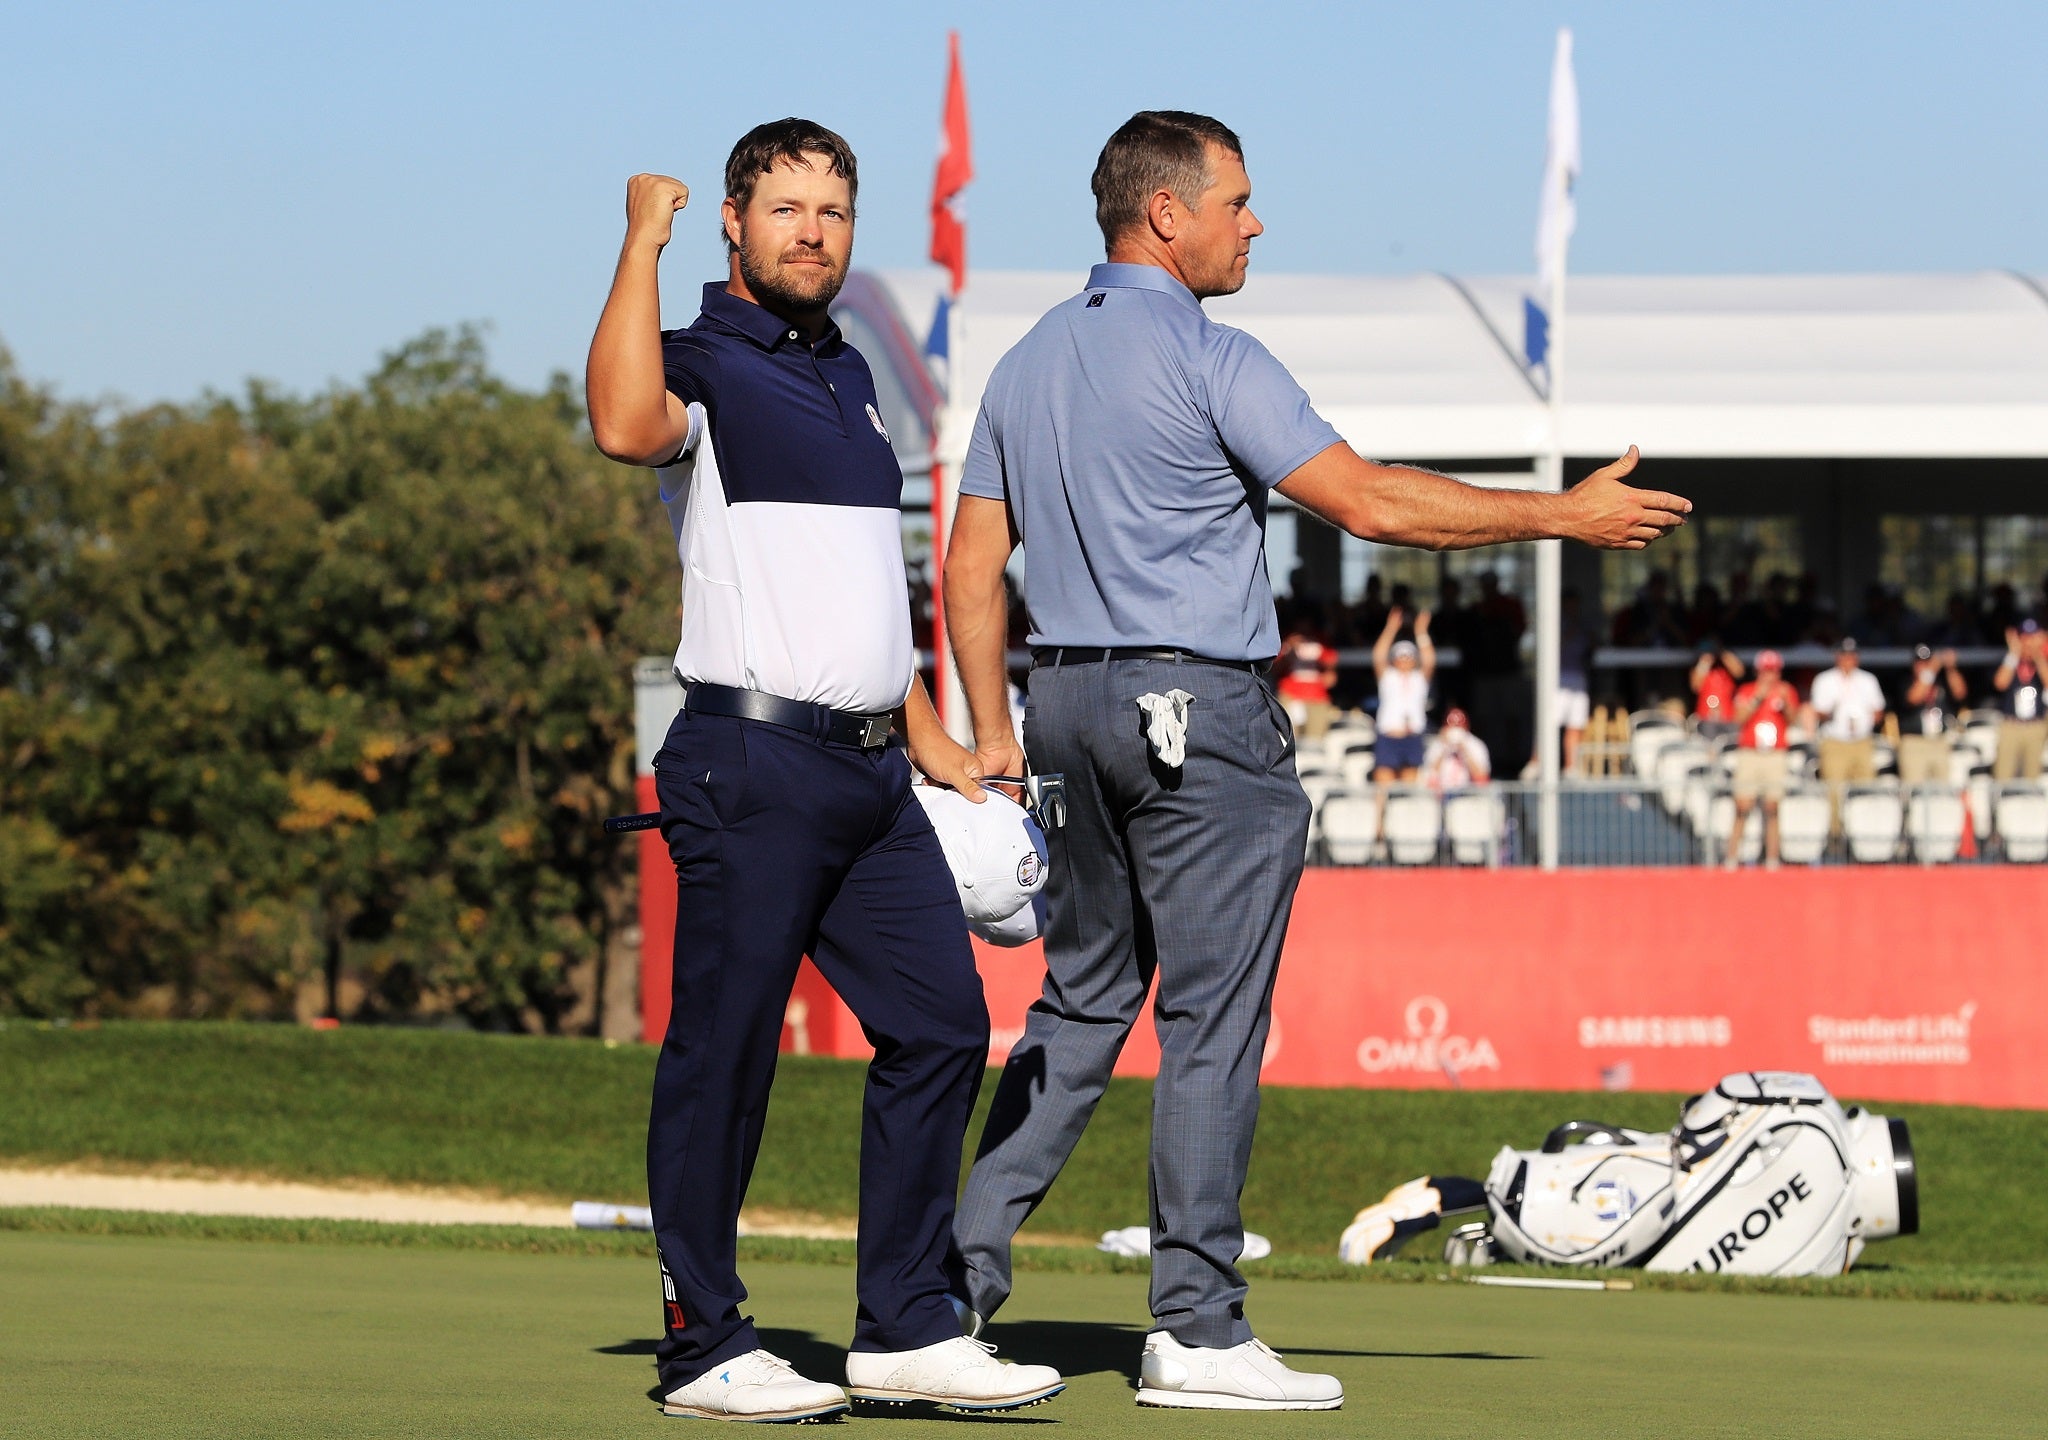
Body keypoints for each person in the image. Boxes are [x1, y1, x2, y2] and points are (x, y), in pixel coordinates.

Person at [941, 109, 1689, 1411]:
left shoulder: (1024, 362)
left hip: (1062, 707)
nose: (1255, 220)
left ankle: (951, 1288)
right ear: (1164, 215)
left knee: (1079, 1005)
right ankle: (1197, 1327)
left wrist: (999, 733)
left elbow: (967, 567)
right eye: (1236, 198)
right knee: (1210, 1021)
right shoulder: (1209, 352)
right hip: (1196, 715)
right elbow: (1371, 503)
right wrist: (1559, 515)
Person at [584, 119, 1060, 1422]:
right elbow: (624, 424)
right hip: (749, 764)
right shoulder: (702, 363)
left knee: (944, 1026)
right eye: (786, 208)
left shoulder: (849, 378)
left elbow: (861, 609)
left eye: (834, 212)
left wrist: (938, 748)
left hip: (868, 777)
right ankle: (700, 1344)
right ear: (735, 224)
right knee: (725, 1055)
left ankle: (906, 1326)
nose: (812, 231)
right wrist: (641, 233)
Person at [1726, 650, 1799, 869]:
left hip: (1775, 754)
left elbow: (1793, 720)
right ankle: (1732, 857)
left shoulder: (1786, 691)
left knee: (1772, 807)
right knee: (1742, 806)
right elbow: (1738, 718)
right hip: (1750, 752)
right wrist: (1758, 697)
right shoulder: (1747, 691)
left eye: (1774, 671)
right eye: (1766, 671)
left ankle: (1772, 858)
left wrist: (1786, 704)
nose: (1770, 676)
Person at [1807, 637, 1887, 832]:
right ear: (1837, 656)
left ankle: (1864, 836)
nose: (1848, 659)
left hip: (1862, 741)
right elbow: (1818, 711)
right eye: (1844, 655)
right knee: (1834, 791)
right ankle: (1836, 836)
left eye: (1852, 655)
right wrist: (1832, 709)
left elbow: (1879, 711)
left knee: (1866, 789)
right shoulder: (1825, 680)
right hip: (1835, 742)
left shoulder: (1868, 680)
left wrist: (1866, 719)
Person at [1372, 607, 1434, 783]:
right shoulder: (1388, 677)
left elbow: (1429, 660)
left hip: (1412, 735)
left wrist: (1421, 632)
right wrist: (1391, 628)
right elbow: (1378, 656)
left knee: (1409, 786)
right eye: (1401, 656)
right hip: (1389, 735)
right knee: (1383, 784)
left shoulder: (1419, 679)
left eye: (1409, 656)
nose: (1405, 659)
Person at [1899, 644, 1967, 789]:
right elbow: (1914, 697)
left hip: (1939, 741)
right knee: (1914, 790)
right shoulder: (1906, 682)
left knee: (1942, 791)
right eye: (1920, 663)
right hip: (1915, 743)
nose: (1923, 666)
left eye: (1927, 662)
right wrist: (1931, 670)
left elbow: (1960, 693)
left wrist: (1950, 668)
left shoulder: (1941, 682)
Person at [1993, 620, 2048, 781]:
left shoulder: (2041, 663)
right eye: (2025, 637)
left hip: (2035, 725)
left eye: (2033, 637)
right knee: (2003, 773)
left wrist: (2038, 655)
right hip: (2011, 724)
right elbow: (2000, 683)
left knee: (2032, 775)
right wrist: (2014, 652)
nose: (2028, 642)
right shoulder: (2011, 661)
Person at [1275, 616, 1340, 741]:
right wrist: (1288, 648)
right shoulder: (1286, 640)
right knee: (1289, 739)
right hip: (1291, 695)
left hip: (1317, 697)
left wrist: (1328, 671)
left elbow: (1332, 663)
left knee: (1316, 739)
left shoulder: (1321, 640)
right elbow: (1274, 667)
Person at [1421, 708, 1491, 792]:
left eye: (1458, 727)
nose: (1455, 732)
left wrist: (1464, 750)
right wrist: (1444, 748)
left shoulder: (1476, 745)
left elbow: (1482, 778)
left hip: (1467, 793)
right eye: (1452, 727)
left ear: (1466, 728)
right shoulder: (1437, 744)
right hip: (1441, 793)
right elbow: (1429, 776)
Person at [1690, 639, 1746, 741]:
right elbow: (1695, 685)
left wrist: (1722, 653)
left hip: (1728, 719)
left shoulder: (1726, 670)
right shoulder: (1701, 669)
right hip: (1707, 720)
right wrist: (1705, 660)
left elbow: (1739, 672)